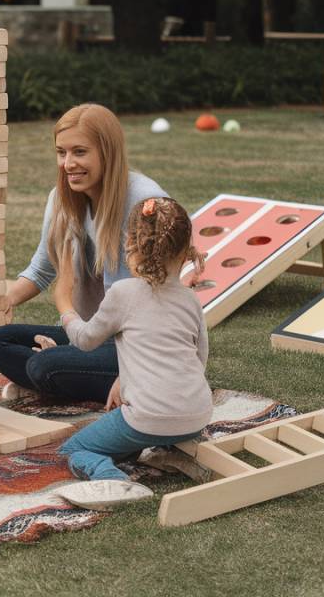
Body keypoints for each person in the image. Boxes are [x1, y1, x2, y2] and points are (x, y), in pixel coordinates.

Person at [0, 103, 167, 403]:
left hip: (136, 343)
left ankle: (118, 386)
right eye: (61, 152)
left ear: (107, 152)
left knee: (43, 364)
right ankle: (67, 378)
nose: (68, 163)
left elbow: (161, 296)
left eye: (79, 152)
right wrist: (6, 299)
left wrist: (129, 369)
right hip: (87, 333)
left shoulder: (144, 201)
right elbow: (42, 269)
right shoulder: (61, 199)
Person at [55, 196, 213, 485]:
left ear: (131, 246)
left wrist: (65, 305)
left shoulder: (123, 293)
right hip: (197, 415)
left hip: (148, 418)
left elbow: (85, 340)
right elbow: (198, 359)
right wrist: (123, 380)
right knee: (146, 429)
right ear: (183, 251)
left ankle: (112, 479)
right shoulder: (191, 299)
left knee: (75, 448)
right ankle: (169, 453)